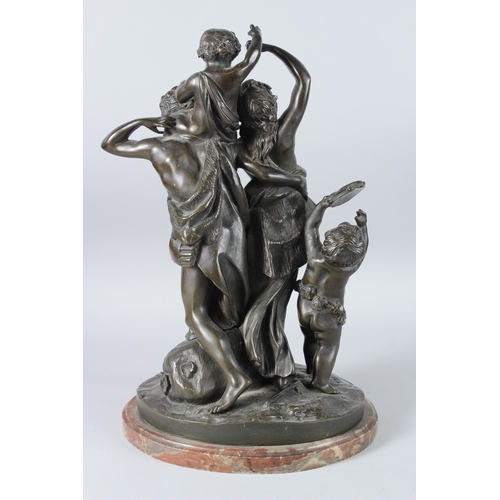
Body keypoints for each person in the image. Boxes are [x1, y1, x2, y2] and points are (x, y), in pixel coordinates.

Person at [101, 87, 252, 414]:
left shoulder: (160, 148)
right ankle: (232, 366)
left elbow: (110, 143)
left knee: (195, 315)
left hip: (192, 239)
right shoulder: (218, 146)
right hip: (226, 236)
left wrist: (143, 122)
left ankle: (235, 377)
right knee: (216, 310)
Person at [236, 43, 313, 388]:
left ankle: (265, 360)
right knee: (275, 295)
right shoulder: (284, 131)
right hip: (285, 216)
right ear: (273, 107)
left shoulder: (241, 145)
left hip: (258, 218)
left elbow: (258, 172)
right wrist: (269, 50)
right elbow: (304, 80)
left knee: (260, 293)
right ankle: (275, 365)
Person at [297, 182, 368, 394]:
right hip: (327, 315)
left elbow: (311, 227)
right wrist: (363, 227)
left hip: (304, 308)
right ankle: (320, 382)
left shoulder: (316, 257)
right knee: (328, 347)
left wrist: (324, 204)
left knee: (310, 339)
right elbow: (365, 248)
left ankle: (311, 371)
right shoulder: (348, 268)